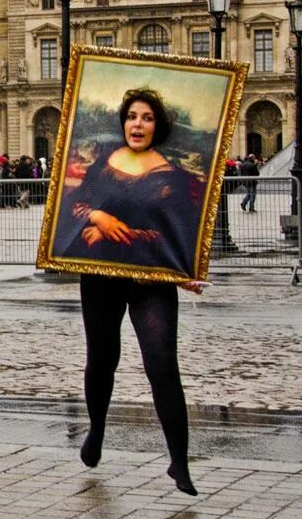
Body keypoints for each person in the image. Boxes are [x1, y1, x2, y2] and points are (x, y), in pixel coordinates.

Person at [57, 89, 205, 496]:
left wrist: (186, 270)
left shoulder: (174, 177)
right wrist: (98, 216)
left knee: (162, 365)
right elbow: (75, 204)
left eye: (147, 118)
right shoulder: (104, 164)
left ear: (159, 126)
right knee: (102, 359)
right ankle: (97, 431)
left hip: (150, 281)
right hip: (101, 274)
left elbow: (177, 233)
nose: (138, 124)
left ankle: (179, 461)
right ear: (123, 122)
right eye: (132, 117)